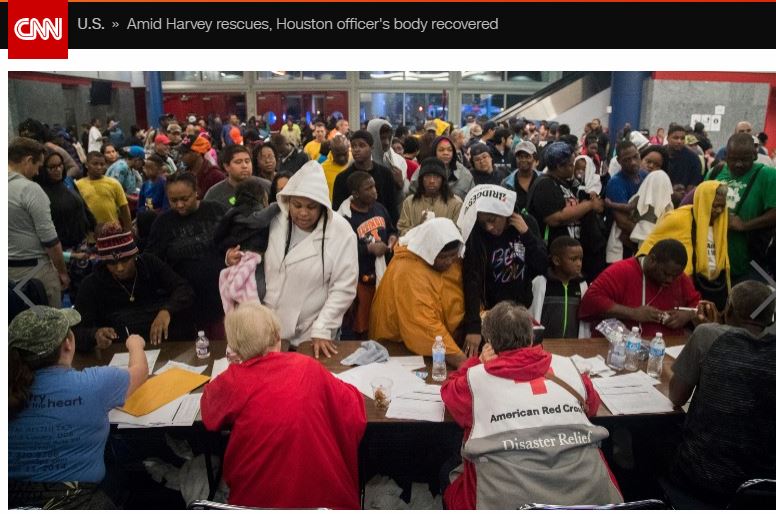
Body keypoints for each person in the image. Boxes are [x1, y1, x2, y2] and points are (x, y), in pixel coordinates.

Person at [440, 301, 622, 510]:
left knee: (448, 470)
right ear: (531, 336)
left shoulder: (475, 380)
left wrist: (478, 362)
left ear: (489, 342)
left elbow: (449, 394)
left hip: (505, 500)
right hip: (592, 497)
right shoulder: (568, 368)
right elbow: (592, 405)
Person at [200, 302, 365, 508]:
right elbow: (353, 407)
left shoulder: (233, 380)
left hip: (257, 505)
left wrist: (234, 368)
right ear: (277, 338)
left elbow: (209, 412)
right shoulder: (307, 366)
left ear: (235, 350)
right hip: (325, 502)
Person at [8, 306, 149, 509]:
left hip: (14, 500)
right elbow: (140, 370)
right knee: (120, 474)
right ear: (68, 344)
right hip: (77, 502)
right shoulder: (94, 384)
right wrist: (135, 344)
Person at [225, 161, 358, 357]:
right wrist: (232, 257)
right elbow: (248, 250)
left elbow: (343, 287)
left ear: (323, 205)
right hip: (266, 327)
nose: (303, 213)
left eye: (311, 207)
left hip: (310, 333)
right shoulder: (275, 219)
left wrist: (323, 328)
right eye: (297, 205)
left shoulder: (341, 233)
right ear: (287, 201)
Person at [667, 281, 776, 508]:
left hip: (700, 478)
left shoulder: (707, 334)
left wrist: (712, 327)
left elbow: (676, 397)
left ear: (729, 309)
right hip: (762, 488)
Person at [74, 223, 195, 350]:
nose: (120, 268)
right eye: (112, 263)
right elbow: (76, 332)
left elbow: (184, 289)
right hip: (120, 350)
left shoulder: (150, 265)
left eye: (125, 261)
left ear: (134, 256)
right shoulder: (92, 284)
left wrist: (167, 310)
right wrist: (94, 335)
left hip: (164, 344)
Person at [457, 185, 547, 356]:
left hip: (521, 311)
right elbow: (472, 280)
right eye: (483, 222)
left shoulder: (527, 223)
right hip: (490, 314)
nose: (489, 227)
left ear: (506, 212)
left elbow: (542, 265)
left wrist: (526, 234)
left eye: (492, 220)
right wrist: (473, 326)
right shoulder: (477, 234)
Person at [369, 218, 467, 369]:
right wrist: (462, 361)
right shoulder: (409, 270)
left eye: (452, 256)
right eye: (443, 257)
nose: (448, 261)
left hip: (438, 344)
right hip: (398, 346)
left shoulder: (450, 261)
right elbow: (424, 325)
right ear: (429, 251)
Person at [146, 172, 228, 339]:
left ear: (196, 192)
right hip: (186, 303)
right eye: (173, 200)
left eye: (185, 199)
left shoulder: (216, 211)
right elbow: (152, 262)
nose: (180, 205)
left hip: (221, 296)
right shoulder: (162, 223)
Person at [578, 239, 702, 337]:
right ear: (652, 260)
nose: (670, 280)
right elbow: (590, 301)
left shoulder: (679, 277)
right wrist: (633, 313)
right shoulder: (622, 270)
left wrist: (687, 315)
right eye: (665, 273)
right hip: (622, 347)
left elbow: (699, 306)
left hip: (667, 347)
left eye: (675, 276)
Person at [639, 181, 730, 309]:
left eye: (722, 206)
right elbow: (649, 247)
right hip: (682, 287)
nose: (719, 210)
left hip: (715, 287)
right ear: (704, 201)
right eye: (715, 206)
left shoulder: (721, 223)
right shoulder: (678, 218)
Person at [527, 141, 605, 279]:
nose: (573, 167)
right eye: (570, 164)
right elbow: (555, 218)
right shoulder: (544, 184)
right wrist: (589, 205)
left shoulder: (567, 182)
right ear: (559, 166)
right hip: (556, 259)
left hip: (575, 255)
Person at [9, 137, 71, 307]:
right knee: (48, 322)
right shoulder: (30, 189)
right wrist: (62, 272)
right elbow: (50, 240)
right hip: (35, 272)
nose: (37, 172)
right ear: (28, 160)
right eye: (38, 166)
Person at [706, 133, 776, 282]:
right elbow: (700, 203)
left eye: (744, 159)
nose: (738, 164)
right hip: (713, 261)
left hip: (750, 262)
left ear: (755, 156)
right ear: (726, 156)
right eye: (733, 159)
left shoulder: (768, 175)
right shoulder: (715, 172)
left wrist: (745, 225)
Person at [337, 171, 397, 337]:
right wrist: (368, 249)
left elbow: (391, 230)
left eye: (374, 186)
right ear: (355, 194)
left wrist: (392, 238)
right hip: (360, 282)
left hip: (382, 275)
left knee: (381, 325)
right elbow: (341, 249)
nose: (374, 191)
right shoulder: (344, 218)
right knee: (361, 329)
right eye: (368, 188)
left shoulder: (379, 208)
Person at [332, 130, 399, 225]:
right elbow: (337, 211)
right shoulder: (342, 178)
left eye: (361, 145)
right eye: (353, 146)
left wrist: (393, 230)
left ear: (371, 148)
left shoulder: (385, 173)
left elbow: (392, 206)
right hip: (352, 227)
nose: (356, 149)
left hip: (383, 225)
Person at [530, 236, 591, 338]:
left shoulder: (582, 285)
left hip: (574, 344)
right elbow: (533, 314)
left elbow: (584, 322)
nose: (579, 264)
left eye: (580, 259)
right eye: (573, 259)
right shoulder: (541, 282)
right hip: (545, 343)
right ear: (556, 261)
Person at [35, 150, 95, 252]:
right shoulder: (40, 192)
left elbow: (83, 206)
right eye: (52, 167)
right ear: (43, 169)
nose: (58, 169)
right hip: (63, 250)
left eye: (60, 165)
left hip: (84, 243)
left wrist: (94, 227)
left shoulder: (67, 182)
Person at [605, 141, 648, 263]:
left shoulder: (644, 175)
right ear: (619, 161)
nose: (633, 162)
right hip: (626, 246)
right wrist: (647, 237)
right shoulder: (616, 183)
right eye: (627, 160)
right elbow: (623, 222)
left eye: (635, 157)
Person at [397, 157, 463, 236]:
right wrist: (419, 227)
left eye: (437, 176)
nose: (432, 181)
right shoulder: (409, 202)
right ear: (421, 179)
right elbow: (401, 231)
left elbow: (458, 233)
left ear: (443, 180)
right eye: (427, 176)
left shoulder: (456, 204)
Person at [76, 151, 132, 232]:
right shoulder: (78, 185)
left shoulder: (114, 183)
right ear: (86, 165)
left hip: (112, 231)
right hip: (89, 232)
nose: (99, 167)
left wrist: (128, 228)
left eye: (102, 164)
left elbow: (124, 208)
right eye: (95, 164)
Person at [204, 144, 270, 209]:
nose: (244, 166)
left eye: (247, 161)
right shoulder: (214, 193)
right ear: (226, 166)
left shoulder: (266, 186)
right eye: (238, 162)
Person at [411, 135, 474, 200]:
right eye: (441, 150)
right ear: (434, 151)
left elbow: (472, 198)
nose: (446, 153)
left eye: (449, 150)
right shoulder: (423, 169)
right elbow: (412, 194)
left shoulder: (464, 174)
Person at [179, 133, 225, 199]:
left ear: (197, 152)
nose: (181, 156)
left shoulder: (216, 176)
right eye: (180, 153)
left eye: (185, 152)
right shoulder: (183, 173)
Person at [501, 140, 539, 212]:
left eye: (527, 157)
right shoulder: (506, 183)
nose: (523, 160)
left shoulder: (544, 180)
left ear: (534, 158)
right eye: (520, 157)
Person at [666, 123, 703, 195]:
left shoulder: (693, 159)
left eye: (682, 138)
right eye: (675, 138)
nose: (679, 141)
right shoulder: (660, 153)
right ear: (668, 138)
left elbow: (693, 185)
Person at [321, 134, 351, 200]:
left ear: (348, 149)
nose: (342, 158)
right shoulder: (322, 168)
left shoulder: (355, 160)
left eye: (344, 154)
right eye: (338, 155)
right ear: (331, 151)